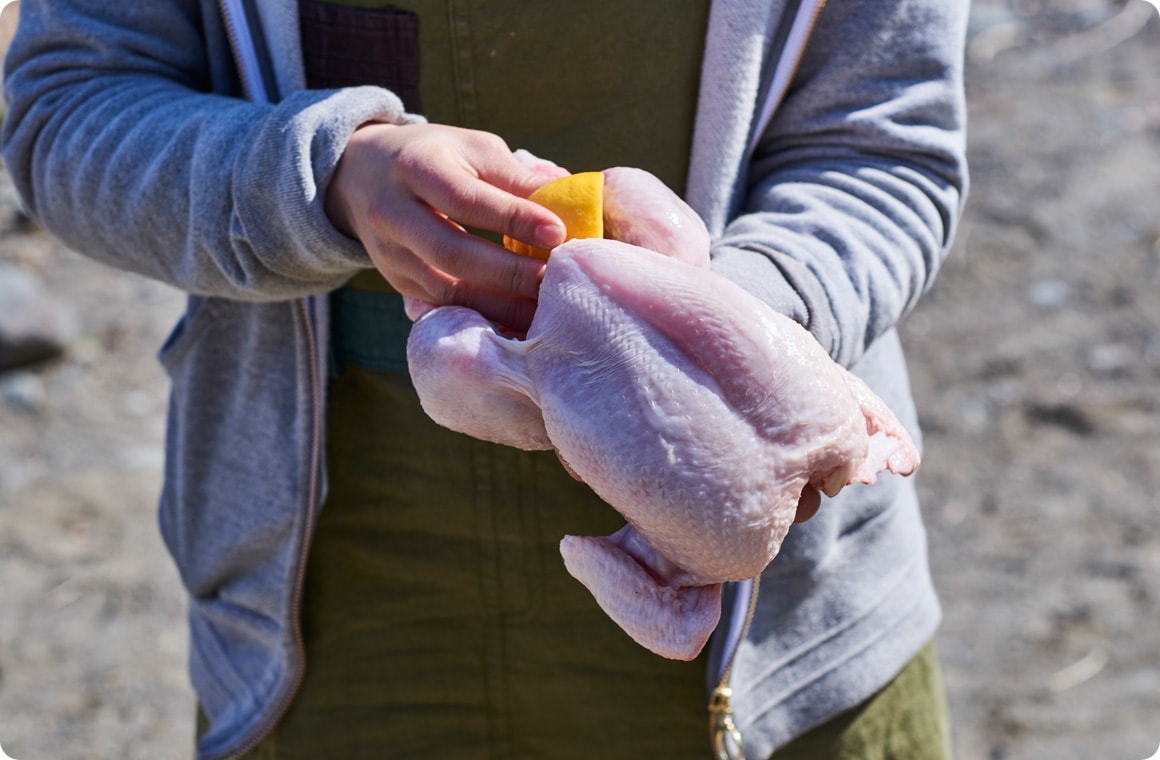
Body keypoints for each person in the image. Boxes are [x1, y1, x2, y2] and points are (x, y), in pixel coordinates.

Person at [1, 0, 968, 758]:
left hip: (778, 642)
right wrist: (325, 176)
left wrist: (723, 335)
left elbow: (885, 147)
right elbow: (66, 108)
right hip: (338, 617)